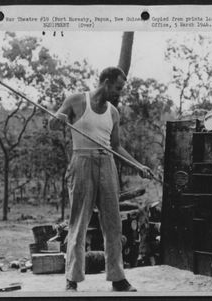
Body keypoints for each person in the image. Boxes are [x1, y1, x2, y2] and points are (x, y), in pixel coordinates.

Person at [49, 66, 152, 292]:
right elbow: (53, 124)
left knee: (113, 224)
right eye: (117, 88)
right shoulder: (76, 101)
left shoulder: (113, 112)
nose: (119, 93)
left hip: (107, 164)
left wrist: (138, 166)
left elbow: (116, 147)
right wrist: (57, 120)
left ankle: (118, 278)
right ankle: (72, 279)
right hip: (81, 162)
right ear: (105, 82)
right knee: (78, 223)